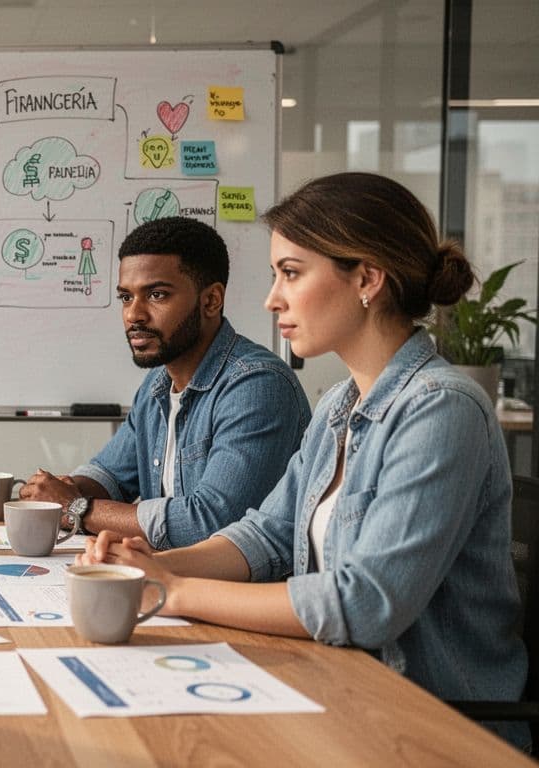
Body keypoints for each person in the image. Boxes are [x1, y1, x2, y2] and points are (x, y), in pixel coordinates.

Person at [79, 172, 527, 749]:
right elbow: (267, 535)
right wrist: (157, 564)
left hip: (427, 728)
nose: (271, 298)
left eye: (290, 273)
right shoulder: (340, 404)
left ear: (366, 278)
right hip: (339, 695)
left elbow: (364, 602)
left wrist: (175, 590)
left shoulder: (442, 409)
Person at [20, 217, 310, 550]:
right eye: (126, 298)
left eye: (156, 295)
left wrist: (78, 508)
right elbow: (110, 475)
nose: (134, 315)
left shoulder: (256, 385)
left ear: (211, 300)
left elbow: (210, 523)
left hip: (229, 594)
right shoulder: (157, 385)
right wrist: (62, 490)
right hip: (164, 579)